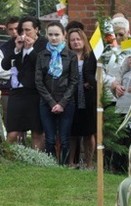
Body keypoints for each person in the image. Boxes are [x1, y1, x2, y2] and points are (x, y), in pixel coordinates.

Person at [35, 22, 79, 165]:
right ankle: (51, 165)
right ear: (46, 35)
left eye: (57, 35)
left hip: (66, 102)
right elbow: (39, 81)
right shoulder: (42, 55)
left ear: (63, 35)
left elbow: (74, 81)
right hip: (46, 102)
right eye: (50, 35)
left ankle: (64, 166)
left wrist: (62, 103)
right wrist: (52, 102)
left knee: (65, 138)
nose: (53, 38)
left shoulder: (71, 55)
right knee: (49, 138)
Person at [2, 16, 47, 149]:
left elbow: (42, 65)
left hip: (34, 92)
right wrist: (17, 49)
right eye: (23, 30)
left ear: (36, 29)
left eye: (28, 30)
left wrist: (30, 49)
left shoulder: (43, 44)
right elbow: (5, 65)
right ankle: (9, 159)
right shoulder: (15, 43)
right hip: (16, 92)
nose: (24, 33)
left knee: (36, 132)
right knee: (13, 132)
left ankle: (37, 161)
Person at [67, 28, 97, 169]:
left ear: (84, 40)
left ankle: (89, 163)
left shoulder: (91, 56)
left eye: (78, 39)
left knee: (88, 132)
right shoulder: (66, 56)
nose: (76, 42)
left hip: (88, 98)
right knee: (72, 132)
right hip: (71, 98)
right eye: (72, 39)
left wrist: (90, 83)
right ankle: (71, 161)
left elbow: (97, 75)